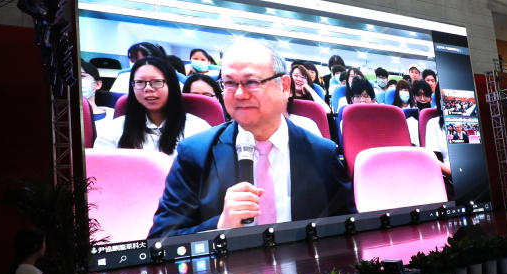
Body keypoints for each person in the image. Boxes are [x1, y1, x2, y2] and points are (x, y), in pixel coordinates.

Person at [148, 39, 356, 237]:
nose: (239, 94)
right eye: (229, 83)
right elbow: (161, 240)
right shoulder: (195, 154)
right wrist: (219, 227)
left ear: (284, 86)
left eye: (251, 82)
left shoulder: (322, 154)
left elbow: (349, 232)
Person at [95, 57, 211, 156]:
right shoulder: (113, 129)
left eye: (157, 82)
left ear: (172, 85)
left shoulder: (198, 129)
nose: (148, 88)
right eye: (140, 82)